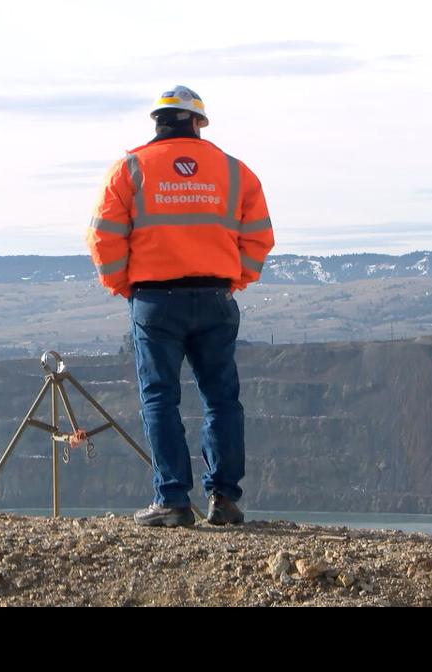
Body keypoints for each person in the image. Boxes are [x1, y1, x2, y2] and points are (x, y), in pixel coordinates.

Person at [86, 85, 274, 527]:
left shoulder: (129, 169)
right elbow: (259, 235)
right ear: (197, 123)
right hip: (215, 298)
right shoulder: (234, 172)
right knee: (222, 400)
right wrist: (235, 279)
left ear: (158, 122)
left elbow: (103, 237)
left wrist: (124, 285)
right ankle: (224, 500)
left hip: (154, 301)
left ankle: (172, 501)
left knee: (160, 399)